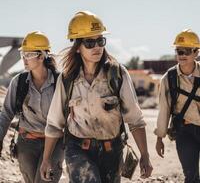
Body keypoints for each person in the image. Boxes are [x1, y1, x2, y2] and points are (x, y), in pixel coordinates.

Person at [40, 11, 153, 183]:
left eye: (100, 41)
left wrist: (145, 155)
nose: (97, 47)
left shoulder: (118, 74)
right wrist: (46, 159)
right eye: (90, 42)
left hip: (112, 150)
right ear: (77, 47)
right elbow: (55, 122)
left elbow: (135, 120)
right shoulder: (67, 78)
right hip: (77, 149)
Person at [0, 31, 64, 183]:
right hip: (27, 142)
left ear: (41, 56)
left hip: (55, 142)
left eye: (28, 55)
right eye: (23, 54)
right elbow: (6, 114)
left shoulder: (60, 81)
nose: (24, 59)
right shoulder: (19, 82)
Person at [155, 29, 200, 183]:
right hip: (185, 131)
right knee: (191, 176)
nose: (182, 55)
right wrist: (160, 137)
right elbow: (164, 109)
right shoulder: (169, 78)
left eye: (186, 51)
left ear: (196, 52)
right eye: (179, 51)